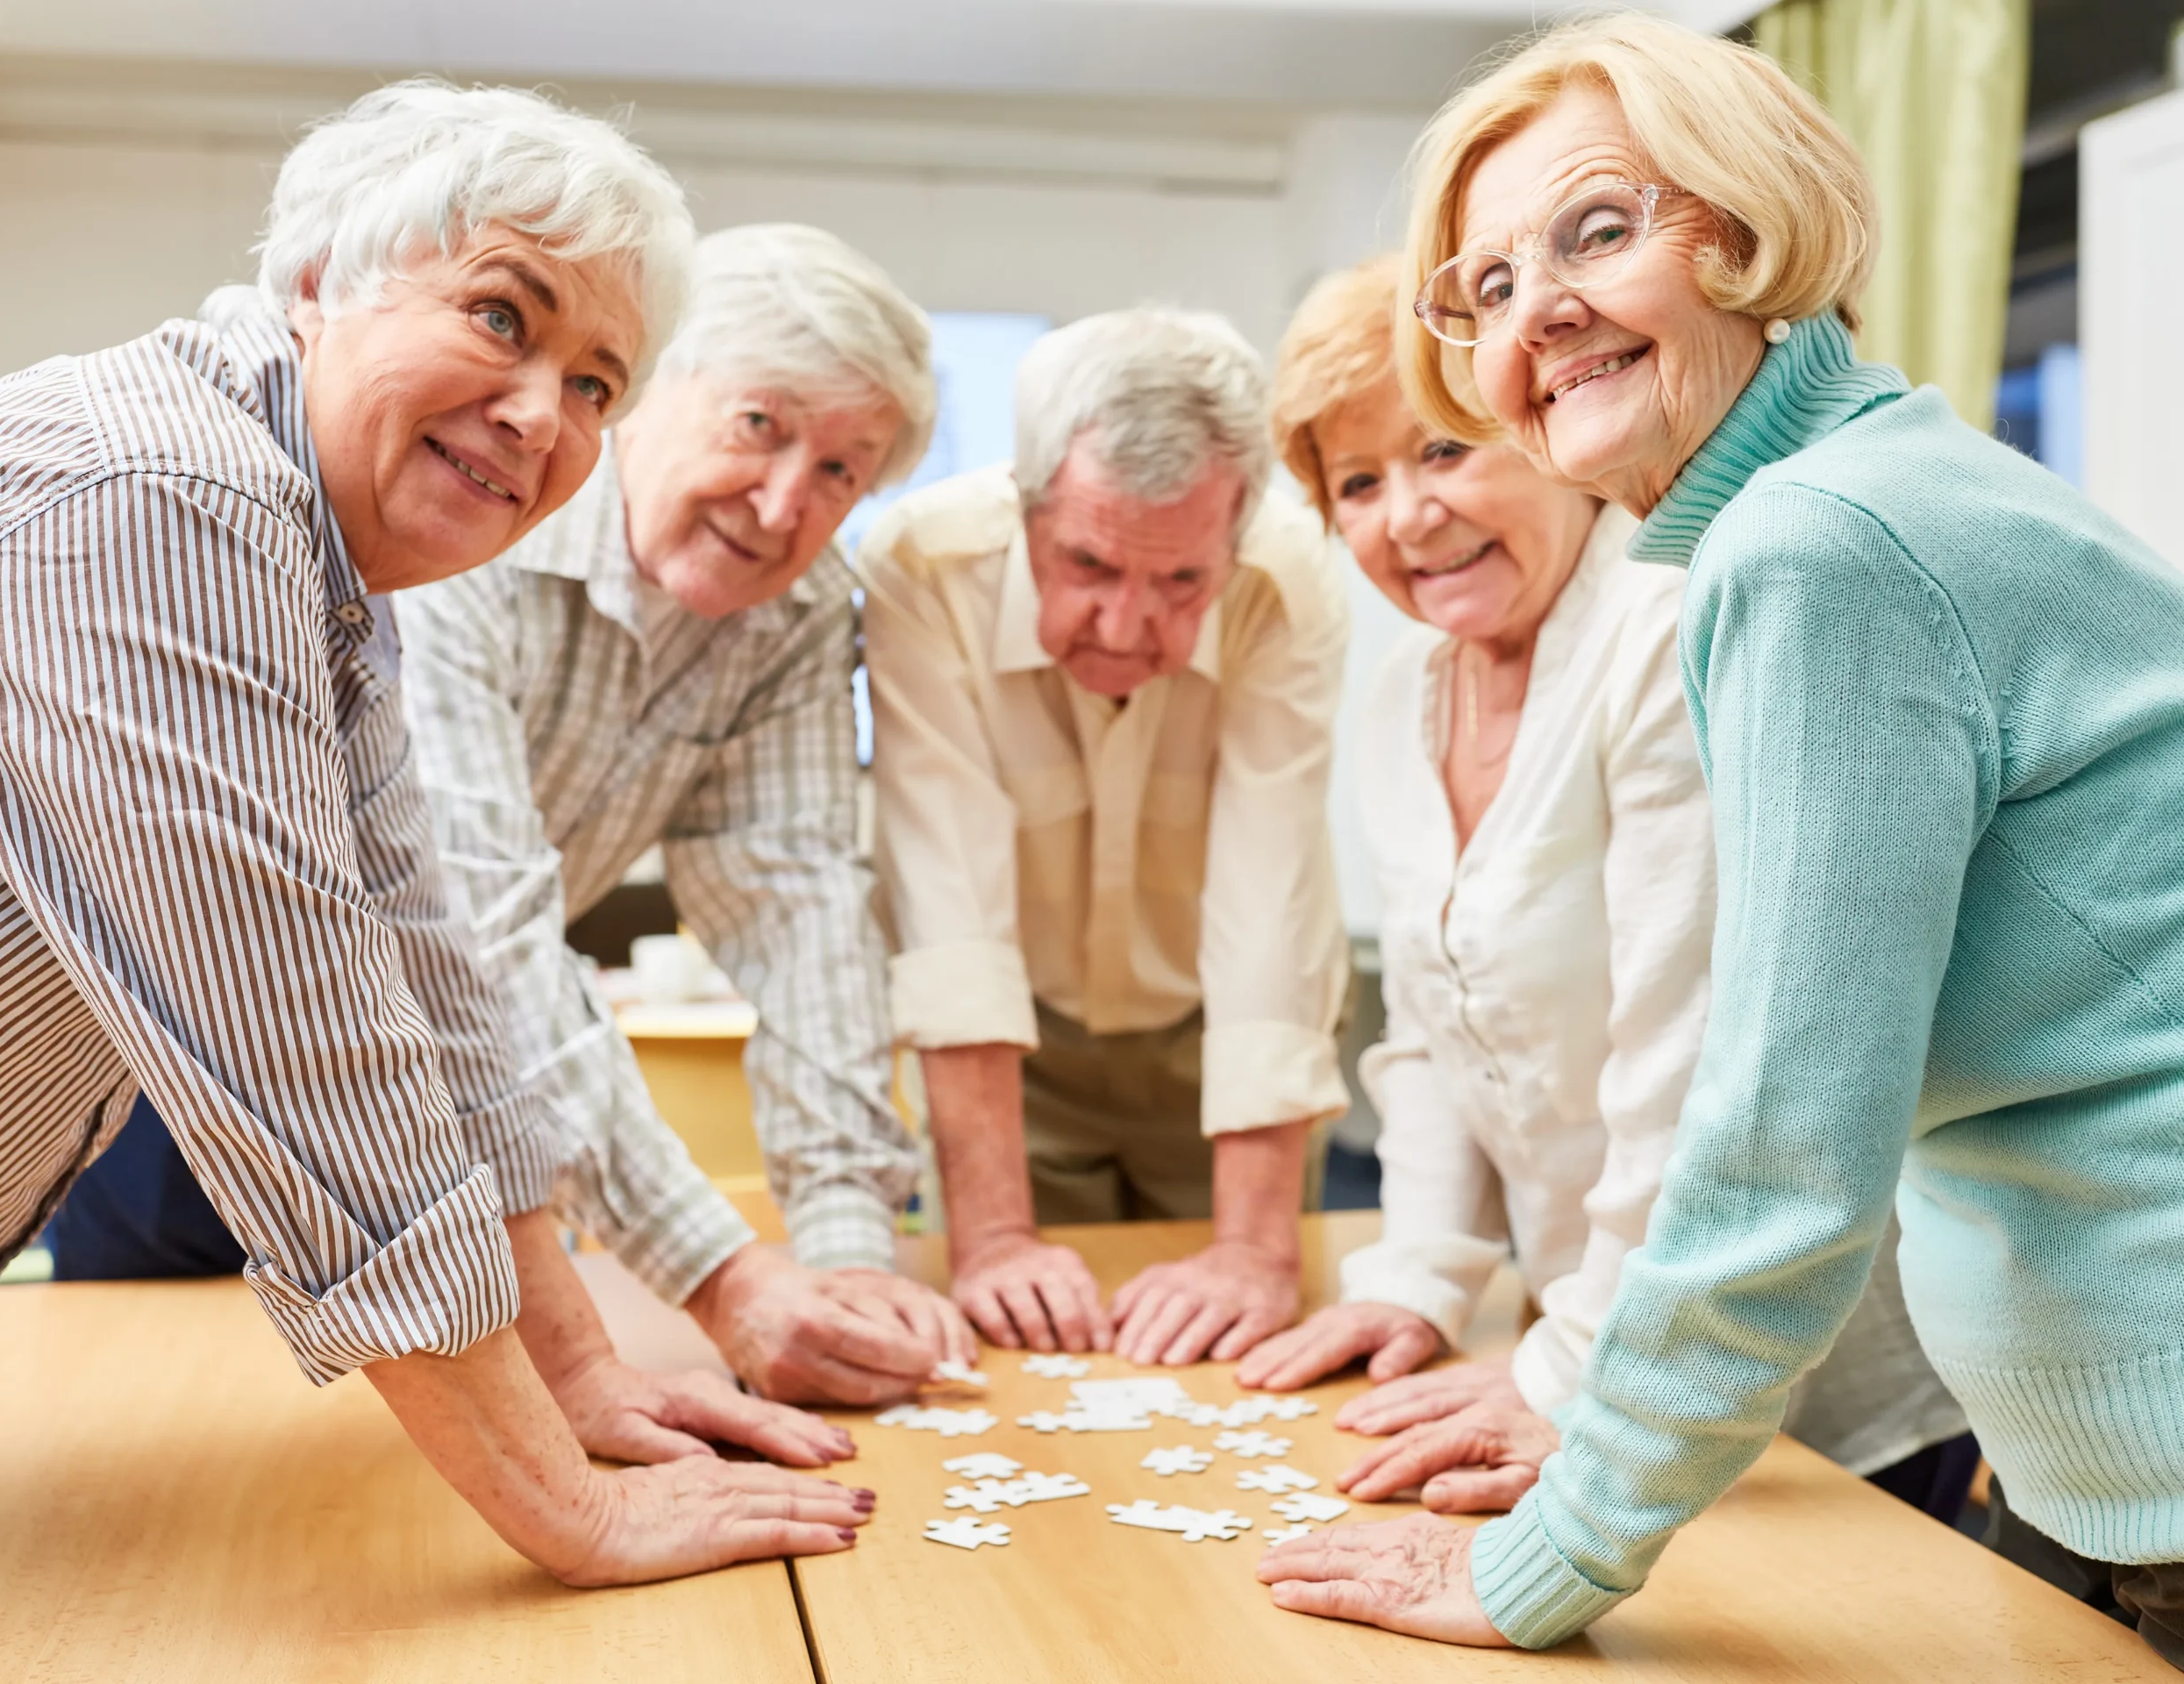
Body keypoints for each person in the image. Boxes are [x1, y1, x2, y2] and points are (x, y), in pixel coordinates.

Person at [1256, 15, 2184, 1666]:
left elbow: (1780, 1142)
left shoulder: (1816, 544)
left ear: (1753, 232)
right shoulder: (1870, 485)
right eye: (1480, 289)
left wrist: (1558, 1549)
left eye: (1597, 231)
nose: (1532, 313)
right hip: (2098, 1449)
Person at [0, 81, 867, 1588]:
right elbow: (305, 1043)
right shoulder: (169, 492)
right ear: (318, 282)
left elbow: (434, 989)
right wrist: (571, 1509)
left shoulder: (323, 570)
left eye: (595, 386)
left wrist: (581, 1386)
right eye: (504, 318)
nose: (539, 416)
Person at [49, 224, 978, 1406]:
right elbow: (484, 925)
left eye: (843, 472)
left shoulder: (796, 612)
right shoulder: (476, 528)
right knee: (167, 1452)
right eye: (761, 425)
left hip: (457, 1116)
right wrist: (720, 1277)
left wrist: (847, 1254)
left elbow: (801, 912)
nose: (787, 502)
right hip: (198, 1068)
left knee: (446, 1465)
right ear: (651, 391)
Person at [1236, 253, 1970, 1520]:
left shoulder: (1669, 621)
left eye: (1445, 451)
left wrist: (1580, 1367)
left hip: (1780, 1367)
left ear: (1547, 432)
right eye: (1358, 484)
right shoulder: (1404, 698)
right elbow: (1430, 1040)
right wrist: (1415, 1277)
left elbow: (1690, 1063)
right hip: (1583, 1343)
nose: (1408, 516)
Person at [861, 307, 1353, 1366]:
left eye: (1182, 582)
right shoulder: (923, 567)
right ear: (1025, 502)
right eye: (1087, 564)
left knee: (1242, 1355)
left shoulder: (1289, 575)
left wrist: (1255, 1250)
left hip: (1223, 1052)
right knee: (1032, 1357)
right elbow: (948, 903)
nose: (1130, 628)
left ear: (1234, 533)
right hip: (1015, 1058)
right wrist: (991, 1240)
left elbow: (1271, 901)